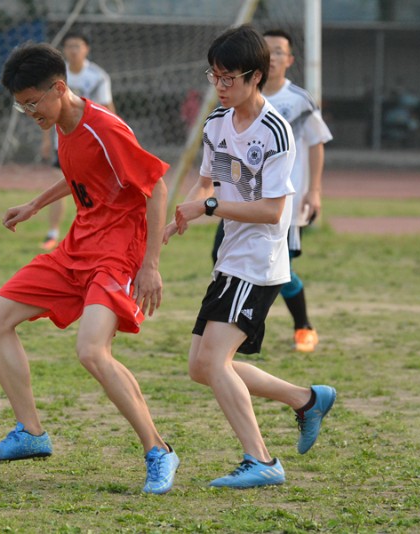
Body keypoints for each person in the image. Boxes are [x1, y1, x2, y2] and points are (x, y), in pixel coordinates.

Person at [0, 42, 179, 495]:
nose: (29, 112)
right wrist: (34, 205)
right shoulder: (61, 122)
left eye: (32, 103)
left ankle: (159, 451)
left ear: (59, 88)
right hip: (78, 245)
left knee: (91, 351)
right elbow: (80, 175)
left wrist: (151, 266)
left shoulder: (106, 127)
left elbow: (158, 187)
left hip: (118, 251)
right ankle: (31, 433)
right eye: (20, 105)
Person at [164, 25, 335, 489]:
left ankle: (261, 461)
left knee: (215, 363)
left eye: (227, 78)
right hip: (230, 256)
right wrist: (177, 217)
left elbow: (271, 210)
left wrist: (209, 206)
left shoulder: (276, 129)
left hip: (258, 262)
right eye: (213, 76)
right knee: (201, 366)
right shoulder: (218, 122)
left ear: (254, 77)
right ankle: (305, 399)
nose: (219, 86)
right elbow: (209, 182)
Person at [210, 28, 333, 353]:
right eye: (269, 49)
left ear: (288, 60)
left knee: (281, 269)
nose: (274, 55)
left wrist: (315, 190)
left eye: (280, 51)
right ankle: (240, 327)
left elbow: (317, 143)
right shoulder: (230, 105)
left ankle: (301, 325)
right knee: (220, 256)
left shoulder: (296, 101)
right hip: (240, 202)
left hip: (279, 203)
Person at [39, 30, 115, 251]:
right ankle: (52, 233)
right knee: (57, 186)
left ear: (86, 49)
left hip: (90, 144)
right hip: (62, 143)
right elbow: (47, 111)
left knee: (91, 192)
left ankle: (94, 233)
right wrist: (46, 140)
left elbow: (108, 109)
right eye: (69, 46)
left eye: (77, 46)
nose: (73, 51)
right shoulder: (56, 76)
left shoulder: (98, 77)